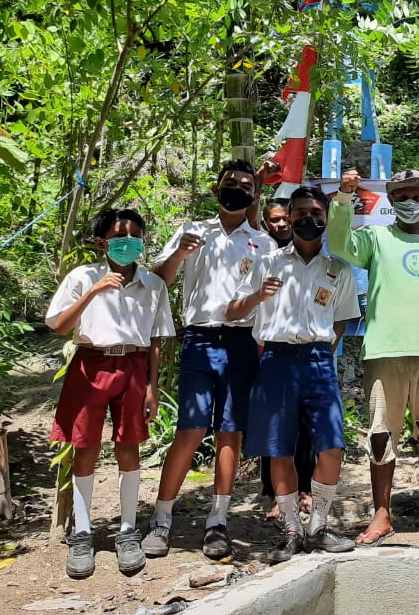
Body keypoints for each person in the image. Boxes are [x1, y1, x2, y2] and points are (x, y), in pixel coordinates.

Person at [145, 159, 274, 560]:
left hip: (242, 342)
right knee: (191, 427)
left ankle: (218, 521)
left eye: (245, 184)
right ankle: (161, 520)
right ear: (215, 189)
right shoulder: (193, 230)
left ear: (254, 195)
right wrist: (180, 255)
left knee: (229, 431)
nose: (236, 188)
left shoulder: (264, 242)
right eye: (229, 182)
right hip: (200, 340)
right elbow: (160, 280)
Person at [226, 185, 359, 562]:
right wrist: (257, 298)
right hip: (276, 360)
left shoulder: (338, 269)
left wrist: (320, 354)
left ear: (326, 217)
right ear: (290, 215)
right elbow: (234, 311)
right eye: (300, 213)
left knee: (331, 447)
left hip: (318, 361)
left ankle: (318, 525)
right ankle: (291, 530)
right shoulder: (266, 263)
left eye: (315, 213)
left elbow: (339, 323)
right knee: (278, 449)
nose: (307, 220)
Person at [329, 167, 419, 543]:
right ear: (390, 200)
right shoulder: (375, 237)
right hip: (384, 350)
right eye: (401, 195)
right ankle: (381, 515)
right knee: (382, 435)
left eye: (417, 195)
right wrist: (341, 199)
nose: (409, 202)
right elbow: (339, 244)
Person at [47, 208, 176, 579]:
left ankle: (127, 531)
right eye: (120, 236)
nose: (129, 242)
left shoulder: (153, 284)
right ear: (102, 241)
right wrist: (93, 291)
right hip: (90, 365)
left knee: (129, 446)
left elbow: (154, 340)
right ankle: (83, 533)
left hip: (133, 367)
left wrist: (153, 386)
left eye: (136, 235)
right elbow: (59, 326)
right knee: (85, 445)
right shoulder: (83, 276)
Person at [257, 196, 315, 522]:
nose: (280, 225)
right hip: (270, 352)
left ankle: (304, 488)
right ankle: (275, 494)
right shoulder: (263, 258)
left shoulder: (314, 252)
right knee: (274, 426)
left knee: (305, 426)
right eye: (273, 220)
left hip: (309, 353)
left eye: (284, 218)